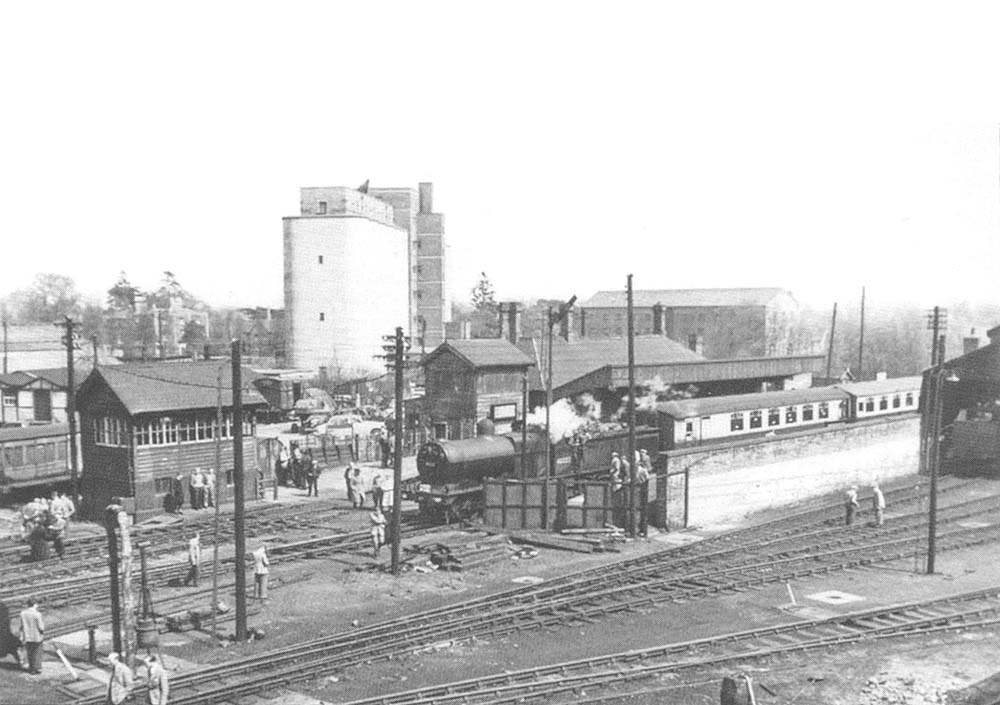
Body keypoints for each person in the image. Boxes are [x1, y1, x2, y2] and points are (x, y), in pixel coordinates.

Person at [18, 598, 44, 675]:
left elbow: (22, 626)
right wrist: (42, 631)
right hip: (37, 637)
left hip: (27, 636)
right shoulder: (37, 614)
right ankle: (37, 668)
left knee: (30, 653)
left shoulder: (22, 613)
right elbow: (41, 627)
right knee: (37, 652)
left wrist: (21, 635)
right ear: (35, 604)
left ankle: (31, 668)